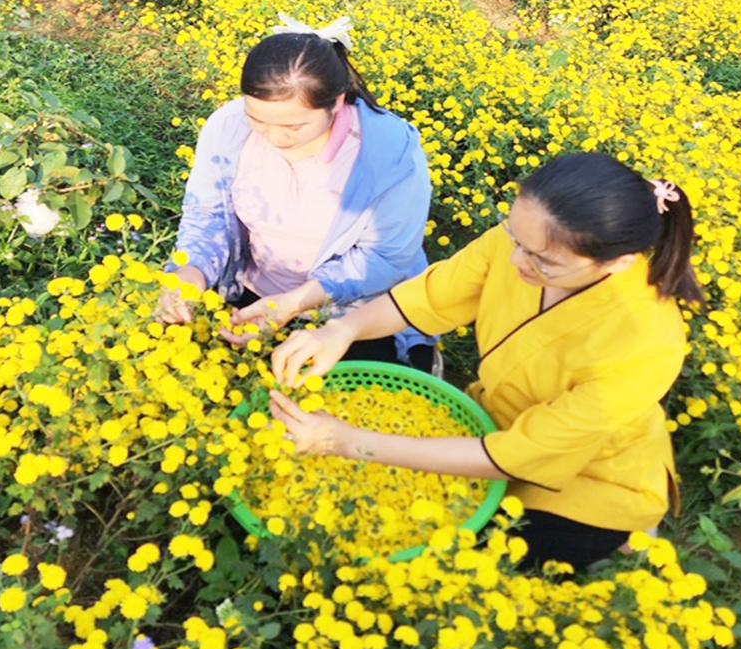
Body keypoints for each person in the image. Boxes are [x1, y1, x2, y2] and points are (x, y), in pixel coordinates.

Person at [268, 152, 704, 572]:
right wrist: (338, 332)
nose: (516, 260)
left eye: (543, 261)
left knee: (451, 558)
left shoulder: (648, 341)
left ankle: (629, 526)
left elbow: (519, 454)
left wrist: (346, 442)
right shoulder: (527, 240)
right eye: (514, 238)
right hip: (495, 421)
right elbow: (427, 298)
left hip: (590, 476)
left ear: (618, 262)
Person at [162, 14, 435, 368]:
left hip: (354, 310)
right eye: (257, 119)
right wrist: (190, 272)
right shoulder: (228, 127)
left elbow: (385, 258)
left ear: (336, 103)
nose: (274, 138)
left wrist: (295, 303)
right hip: (256, 293)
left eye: (294, 126)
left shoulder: (389, 155)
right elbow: (208, 213)